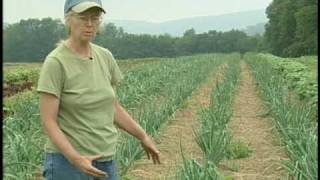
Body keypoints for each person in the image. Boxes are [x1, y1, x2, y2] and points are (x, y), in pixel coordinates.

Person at [37, 0, 160, 179]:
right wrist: (75, 158)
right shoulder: (56, 62)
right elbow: (49, 122)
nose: (89, 24)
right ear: (68, 20)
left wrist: (143, 136)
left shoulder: (105, 56)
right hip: (67, 164)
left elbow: (113, 107)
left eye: (95, 18)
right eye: (82, 18)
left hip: (105, 160)